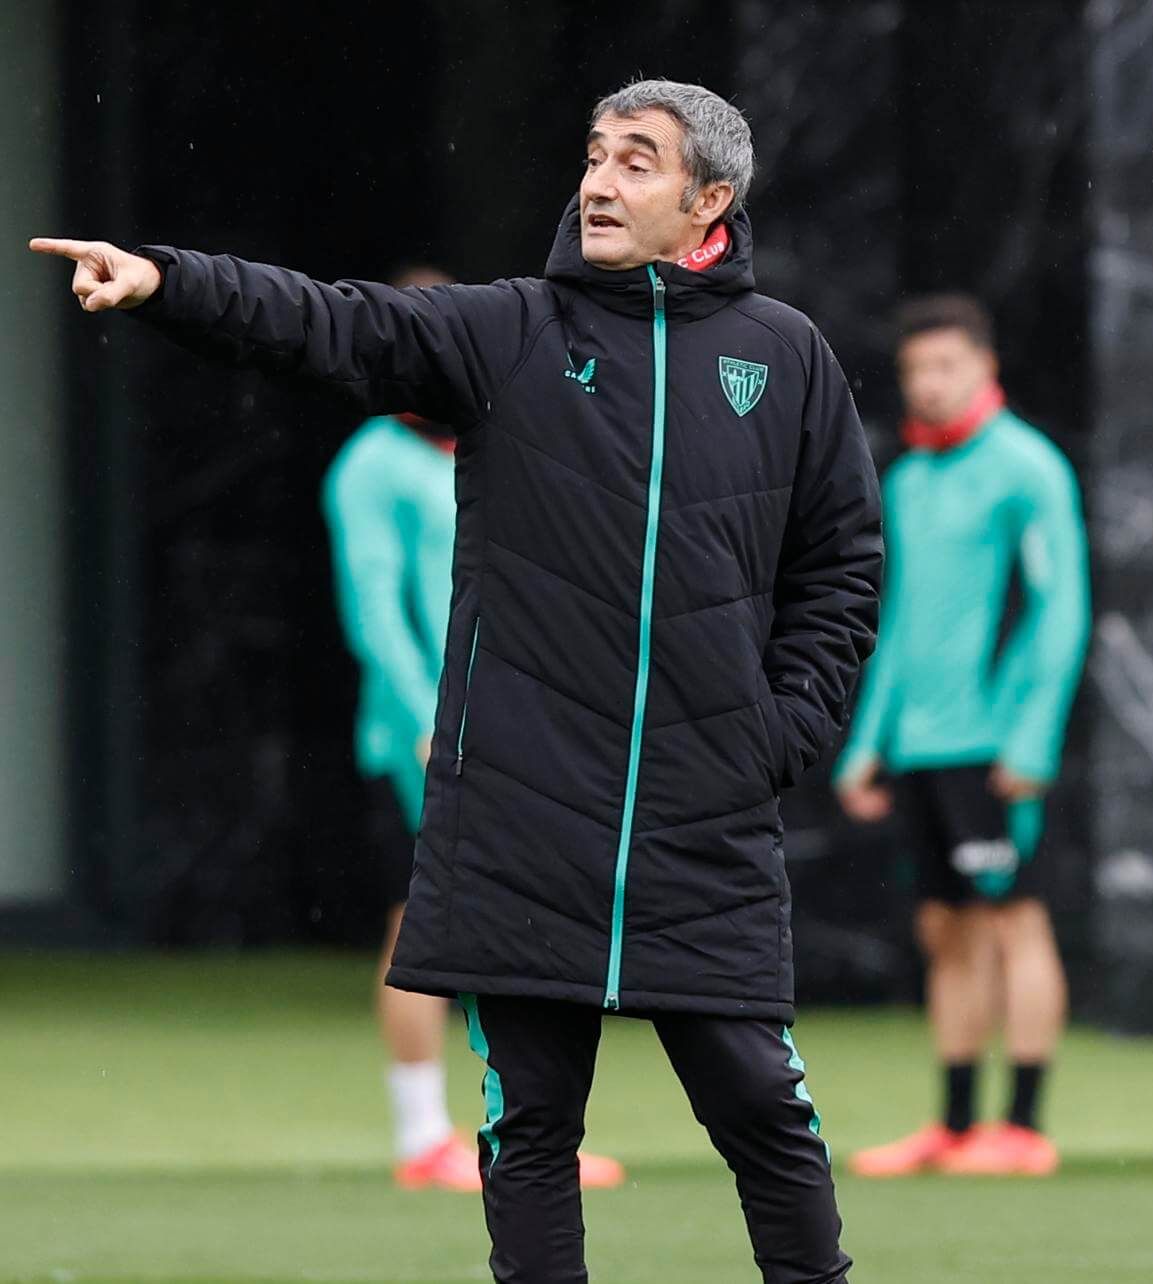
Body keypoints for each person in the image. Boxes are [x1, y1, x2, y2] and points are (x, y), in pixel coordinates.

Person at [34, 76, 881, 1284]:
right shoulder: (510, 330)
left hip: (707, 817)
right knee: (530, 1126)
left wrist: (777, 733)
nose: (597, 180)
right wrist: (169, 279)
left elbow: (842, 566)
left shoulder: (783, 355)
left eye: (636, 161)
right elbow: (332, 324)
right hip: (523, 810)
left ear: (711, 200)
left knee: (762, 1110)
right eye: (593, 154)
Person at [321, 267, 623, 1193]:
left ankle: (522, 1133)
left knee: (518, 923)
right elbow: (375, 611)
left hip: (515, 729)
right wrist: (428, 721)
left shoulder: (491, 438)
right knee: (425, 926)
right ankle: (425, 1138)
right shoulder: (374, 461)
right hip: (424, 738)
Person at [835, 295, 1089, 1179]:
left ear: (984, 366)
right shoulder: (909, 479)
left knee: (1016, 920)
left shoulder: (1030, 469)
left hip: (996, 748)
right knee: (946, 930)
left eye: (946, 367)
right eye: (916, 371)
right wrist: (870, 740)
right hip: (923, 749)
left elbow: (1061, 612)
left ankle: (1021, 1127)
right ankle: (951, 1125)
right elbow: (901, 623)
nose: (929, 385)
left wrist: (1031, 740)